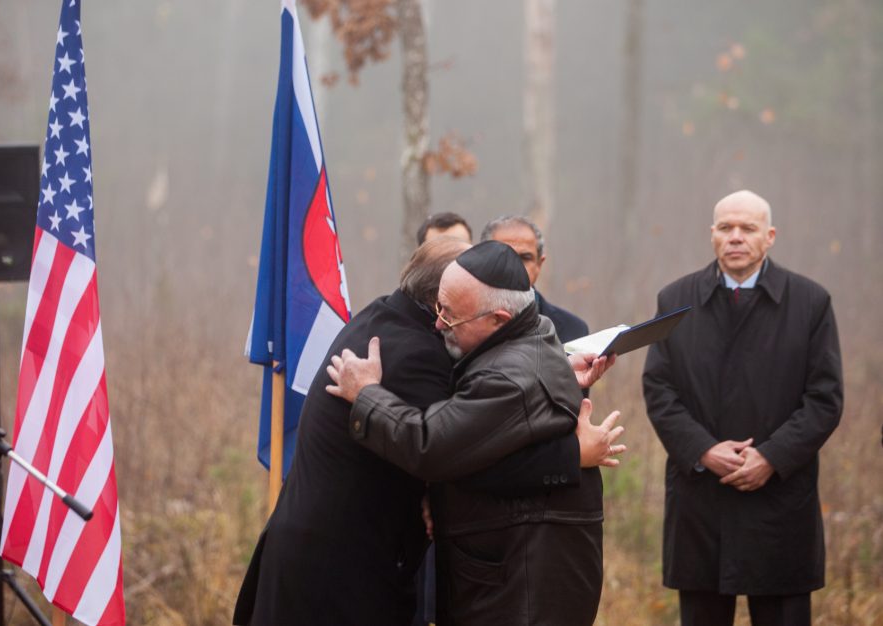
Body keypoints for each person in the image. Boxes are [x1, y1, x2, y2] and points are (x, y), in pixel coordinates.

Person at [233, 237, 617, 626]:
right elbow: (449, 457)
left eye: (448, 313)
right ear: (438, 295)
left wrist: (550, 376)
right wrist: (571, 456)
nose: (440, 322)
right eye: (442, 309)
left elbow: (488, 412)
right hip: (332, 578)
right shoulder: (415, 355)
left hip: (333, 563)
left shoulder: (386, 318)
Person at [642, 190, 843, 626]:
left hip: (779, 502)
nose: (736, 237)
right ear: (711, 234)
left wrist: (772, 456)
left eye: (747, 229)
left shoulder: (810, 302)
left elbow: (824, 398)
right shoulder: (675, 300)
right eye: (726, 228)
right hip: (701, 498)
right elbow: (659, 388)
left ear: (769, 237)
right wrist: (702, 450)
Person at [481, 215, 588, 343]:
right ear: (484, 261)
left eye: (525, 258)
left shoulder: (574, 330)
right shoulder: (463, 325)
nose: (515, 266)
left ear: (539, 264)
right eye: (504, 256)